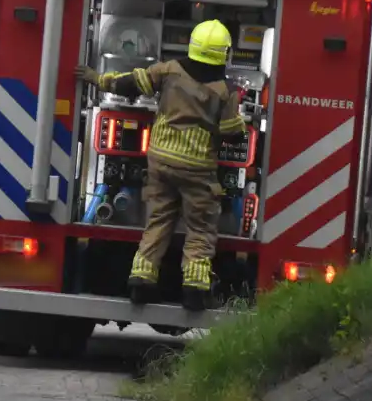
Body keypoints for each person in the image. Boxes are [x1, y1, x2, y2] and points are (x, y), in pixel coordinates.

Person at [74, 19, 246, 311]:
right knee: (200, 228)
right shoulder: (225, 90)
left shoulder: (169, 70)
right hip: (198, 169)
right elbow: (232, 132)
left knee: (158, 221)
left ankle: (141, 280)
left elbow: (129, 83)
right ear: (224, 53)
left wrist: (96, 77)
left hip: (161, 162)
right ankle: (195, 289)